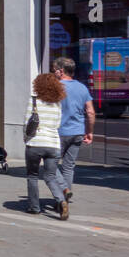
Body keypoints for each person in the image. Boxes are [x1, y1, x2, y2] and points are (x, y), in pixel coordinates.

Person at [26, 72, 69, 219]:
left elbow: (27, 123)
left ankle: (34, 207)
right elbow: (57, 124)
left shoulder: (34, 102)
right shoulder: (58, 104)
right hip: (53, 144)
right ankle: (61, 201)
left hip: (35, 143)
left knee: (32, 176)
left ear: (38, 85)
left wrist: (26, 139)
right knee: (50, 176)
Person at [54, 56, 94, 201]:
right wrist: (89, 132)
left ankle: (63, 190)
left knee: (51, 165)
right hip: (77, 132)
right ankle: (66, 195)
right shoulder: (82, 88)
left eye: (55, 71)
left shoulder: (56, 87)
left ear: (61, 71)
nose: (54, 74)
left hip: (59, 132)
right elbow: (90, 111)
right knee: (68, 167)